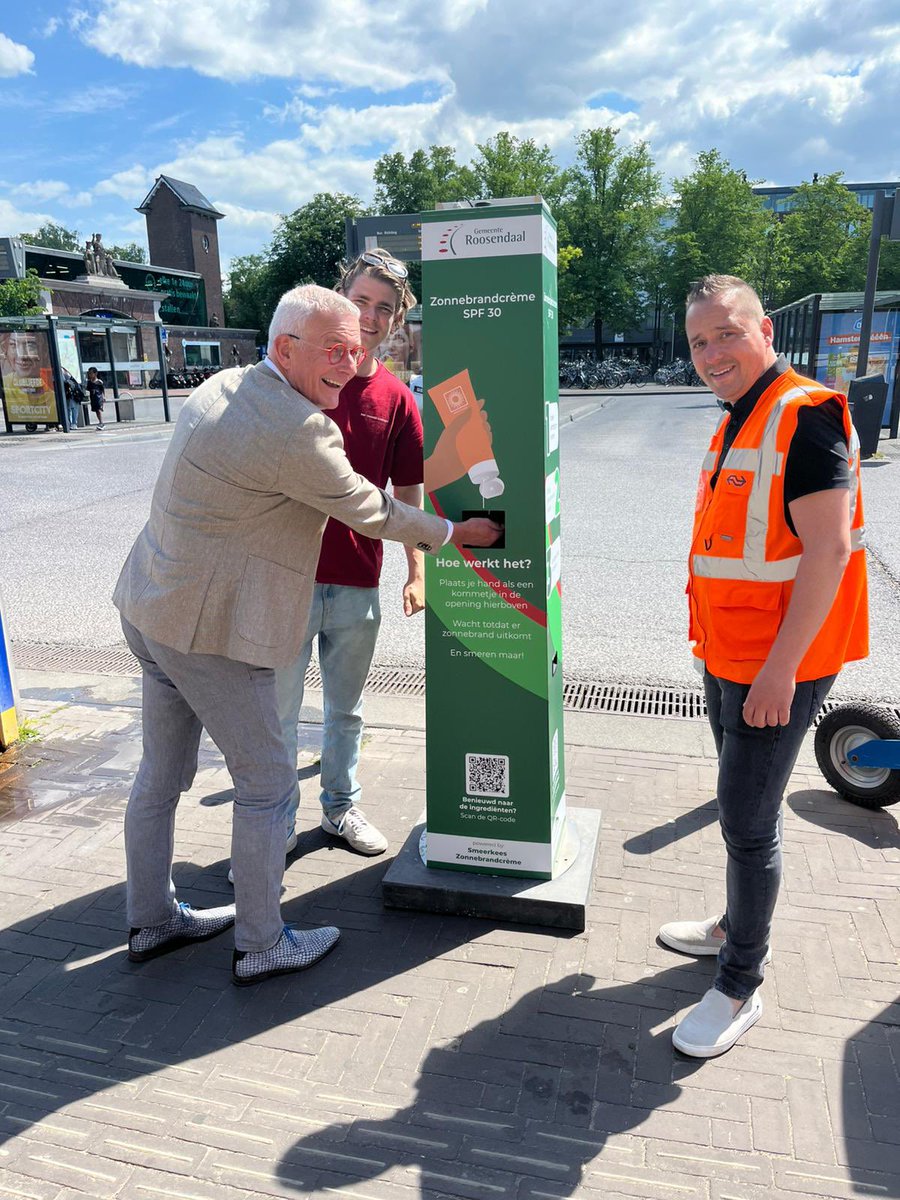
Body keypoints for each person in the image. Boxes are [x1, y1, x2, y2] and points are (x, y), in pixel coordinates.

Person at [112, 283, 501, 987]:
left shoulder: (223, 385)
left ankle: (152, 919)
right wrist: (452, 533)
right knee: (267, 785)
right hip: (210, 633)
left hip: (151, 607)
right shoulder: (297, 426)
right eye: (334, 349)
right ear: (285, 348)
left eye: (357, 350)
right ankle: (262, 942)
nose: (351, 364)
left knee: (161, 777)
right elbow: (369, 509)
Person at [658, 275, 867, 1057]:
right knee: (749, 811)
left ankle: (741, 979)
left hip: (777, 665)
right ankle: (732, 926)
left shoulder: (804, 415)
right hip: (729, 654)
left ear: (766, 332)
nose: (713, 352)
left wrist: (781, 673)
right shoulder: (739, 419)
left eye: (728, 333)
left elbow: (830, 550)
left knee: (746, 822)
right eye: (700, 341)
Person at [270, 250, 425, 863]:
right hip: (287, 577)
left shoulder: (395, 399)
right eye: (360, 301)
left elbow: (407, 492)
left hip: (358, 580)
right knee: (277, 715)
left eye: (384, 309)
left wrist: (417, 570)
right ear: (338, 299)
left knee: (347, 711)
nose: (370, 316)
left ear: (396, 322)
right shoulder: (297, 380)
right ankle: (274, 823)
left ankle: (339, 808)